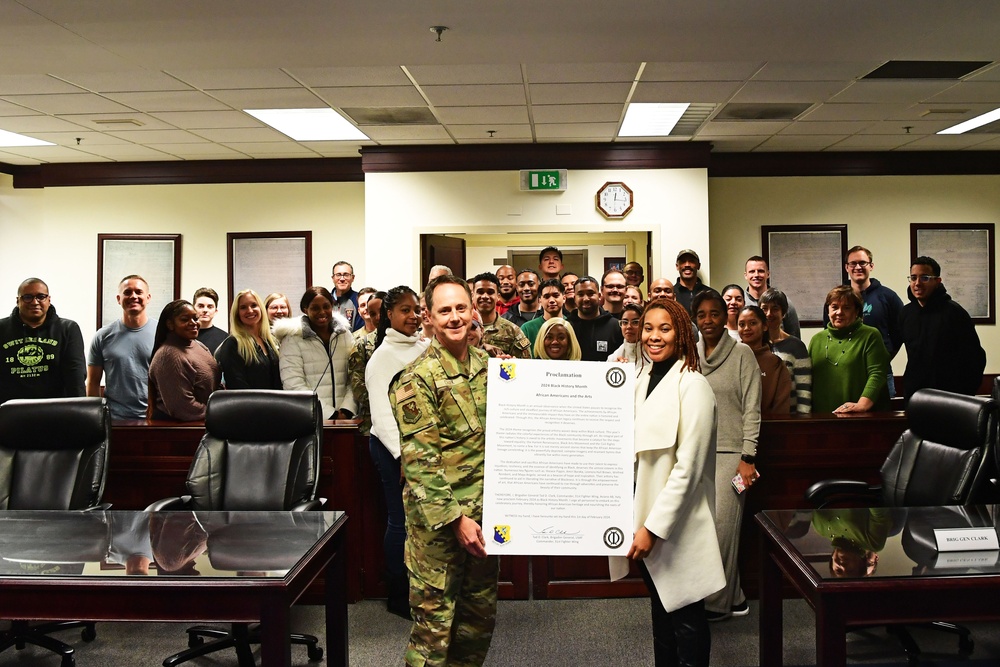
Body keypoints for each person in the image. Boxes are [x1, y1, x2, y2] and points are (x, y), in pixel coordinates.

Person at [610, 298, 725, 667]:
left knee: (686, 618)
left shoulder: (694, 386)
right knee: (662, 614)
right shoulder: (639, 378)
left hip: (676, 526)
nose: (653, 336)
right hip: (641, 519)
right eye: (647, 328)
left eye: (665, 328)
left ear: (681, 334)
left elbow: (688, 469)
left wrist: (652, 529)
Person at [389, 274, 497, 666]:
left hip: (485, 522)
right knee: (434, 634)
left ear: (474, 312)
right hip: (439, 531)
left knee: (476, 624)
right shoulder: (415, 379)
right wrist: (457, 521)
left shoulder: (493, 369)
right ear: (428, 319)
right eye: (444, 310)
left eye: (460, 308)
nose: (454, 317)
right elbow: (420, 464)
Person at [692, 289, 760, 622]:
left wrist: (748, 456)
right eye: (702, 314)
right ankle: (735, 597)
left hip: (733, 455)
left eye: (715, 313)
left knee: (723, 528)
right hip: (698, 452)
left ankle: (716, 605)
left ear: (725, 316)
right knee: (704, 531)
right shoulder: (691, 354)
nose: (708, 320)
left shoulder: (742, 353)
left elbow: (752, 407)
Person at [366, 285, 430, 619]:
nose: (413, 315)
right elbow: (383, 416)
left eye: (416, 309)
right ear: (388, 315)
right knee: (400, 521)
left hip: (422, 449)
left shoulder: (423, 345)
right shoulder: (383, 357)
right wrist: (405, 456)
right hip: (396, 453)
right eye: (405, 310)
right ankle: (397, 594)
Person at [900, 256, 986, 403]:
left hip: (952, 399)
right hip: (916, 398)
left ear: (937, 281)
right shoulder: (905, 313)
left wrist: (964, 395)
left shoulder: (955, 313)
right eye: (913, 278)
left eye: (925, 278)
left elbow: (976, 358)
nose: (917, 283)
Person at [274, 286, 357, 420]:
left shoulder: (345, 335)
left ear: (333, 306)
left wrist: (347, 410)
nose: (322, 312)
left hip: (346, 420)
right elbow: (293, 385)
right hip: (310, 419)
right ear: (305, 310)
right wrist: (330, 414)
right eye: (315, 308)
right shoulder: (292, 340)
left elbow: (354, 377)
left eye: (326, 306)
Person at [0, 277, 85, 404]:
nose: (35, 302)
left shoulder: (67, 329)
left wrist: (78, 413)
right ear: (18, 301)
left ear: (49, 300)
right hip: (9, 414)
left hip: (56, 412)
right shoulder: (2, 329)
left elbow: (75, 377)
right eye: (27, 297)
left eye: (41, 297)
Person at [808, 285, 889, 413]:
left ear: (856, 311)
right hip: (822, 419)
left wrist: (861, 405)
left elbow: (877, 374)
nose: (839, 312)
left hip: (859, 418)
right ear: (828, 310)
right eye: (834, 307)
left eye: (846, 308)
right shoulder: (817, 340)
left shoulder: (870, 335)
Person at [87, 275, 157, 420]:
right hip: (115, 419)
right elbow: (93, 382)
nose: (133, 296)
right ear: (119, 299)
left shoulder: (162, 334)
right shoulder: (102, 336)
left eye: (138, 292)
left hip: (154, 418)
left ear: (148, 297)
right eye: (127, 292)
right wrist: (95, 417)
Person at [147, 299, 221, 421]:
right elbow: (183, 408)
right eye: (185, 319)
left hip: (204, 422)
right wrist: (217, 412)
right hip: (178, 429)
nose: (193, 323)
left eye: (195, 318)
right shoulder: (168, 356)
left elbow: (215, 384)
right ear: (170, 324)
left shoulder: (198, 345)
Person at [213, 289, 281, 390]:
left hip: (277, 403)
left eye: (254, 305)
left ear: (261, 308)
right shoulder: (233, 344)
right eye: (243, 307)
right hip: (249, 404)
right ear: (237, 313)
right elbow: (237, 385)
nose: (249, 310)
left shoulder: (270, 341)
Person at [759, 288, 811, 414]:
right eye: (764, 308)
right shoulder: (754, 345)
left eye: (775, 309)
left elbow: (804, 392)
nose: (769, 313)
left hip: (790, 419)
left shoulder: (796, 346)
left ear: (784, 313)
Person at [737, 306, 791, 415]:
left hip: (769, 428)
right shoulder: (731, 359)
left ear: (765, 326)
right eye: (742, 324)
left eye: (752, 323)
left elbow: (781, 408)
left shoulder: (775, 364)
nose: (746, 328)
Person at [349, 290, 386, 437]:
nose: (378, 318)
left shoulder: (408, 341)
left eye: (381, 312)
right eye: (372, 313)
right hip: (371, 419)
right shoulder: (362, 345)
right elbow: (357, 384)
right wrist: (381, 404)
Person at [471, 272, 531, 358]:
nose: (485, 296)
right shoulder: (462, 328)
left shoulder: (512, 331)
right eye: (480, 292)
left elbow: (526, 364)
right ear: (473, 296)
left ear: (498, 297)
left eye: (490, 292)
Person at [566, 276, 623, 361]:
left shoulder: (616, 327)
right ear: (575, 298)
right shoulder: (566, 327)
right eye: (580, 294)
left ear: (599, 296)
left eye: (590, 293)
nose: (586, 299)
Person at [743, 256, 800, 339]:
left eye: (761, 271)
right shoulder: (740, 302)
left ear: (768, 274)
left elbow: (795, 337)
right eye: (752, 271)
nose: (756, 275)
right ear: (746, 275)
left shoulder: (783, 301)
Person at [520, 278, 565, 348]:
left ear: (564, 298)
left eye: (556, 296)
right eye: (546, 297)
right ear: (540, 300)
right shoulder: (527, 329)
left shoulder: (572, 324)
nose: (551, 300)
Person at [674, 249, 712, 313]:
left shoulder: (710, 294)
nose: (687, 265)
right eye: (683, 261)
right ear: (677, 266)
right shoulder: (671, 294)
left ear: (698, 266)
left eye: (691, 261)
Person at [331, 260, 365, 331]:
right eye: (338, 275)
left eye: (346, 275)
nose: (342, 279)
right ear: (333, 278)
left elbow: (361, 330)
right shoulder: (325, 300)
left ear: (353, 278)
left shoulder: (359, 300)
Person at [192, 287, 228, 353]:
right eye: (201, 306)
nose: (205, 310)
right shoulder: (185, 335)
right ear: (193, 309)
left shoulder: (225, 339)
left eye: (210, 307)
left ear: (215, 311)